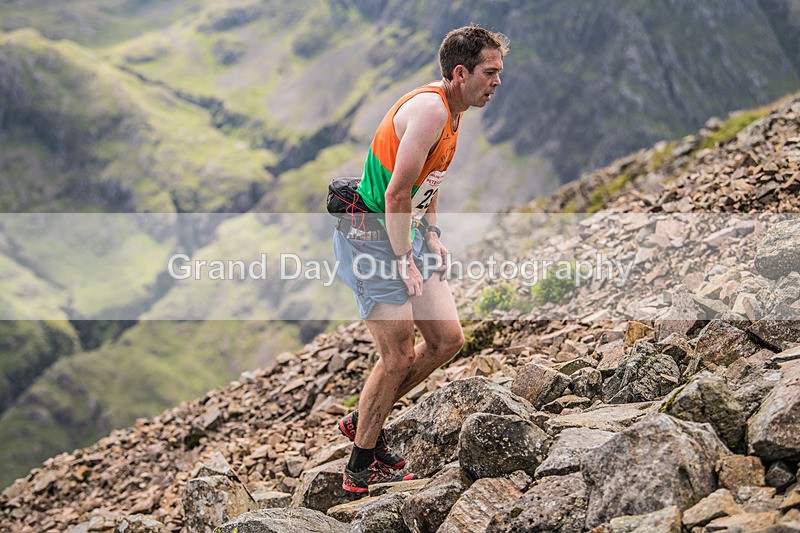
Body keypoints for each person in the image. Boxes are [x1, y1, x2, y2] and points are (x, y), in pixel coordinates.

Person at [332, 25, 509, 493]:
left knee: (448, 338)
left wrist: (431, 234)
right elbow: (395, 194)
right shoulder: (432, 110)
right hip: (372, 235)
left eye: (499, 73)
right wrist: (404, 258)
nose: (497, 82)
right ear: (460, 72)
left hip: (403, 233)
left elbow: (429, 178)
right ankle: (359, 467)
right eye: (490, 72)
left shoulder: (455, 109)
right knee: (397, 358)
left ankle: (365, 417)